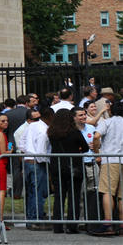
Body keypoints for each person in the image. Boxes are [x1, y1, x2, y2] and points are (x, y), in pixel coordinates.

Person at [47, 108, 88, 234]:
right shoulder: (74, 132)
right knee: (74, 196)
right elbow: (85, 147)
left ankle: (57, 226)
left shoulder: (52, 132)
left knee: (59, 196)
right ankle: (72, 225)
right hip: (73, 166)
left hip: (57, 166)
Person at [92, 100, 123, 236]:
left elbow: (97, 136)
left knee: (107, 191)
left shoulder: (107, 122)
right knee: (122, 195)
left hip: (111, 159)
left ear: (111, 111)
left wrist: (97, 152)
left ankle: (108, 223)